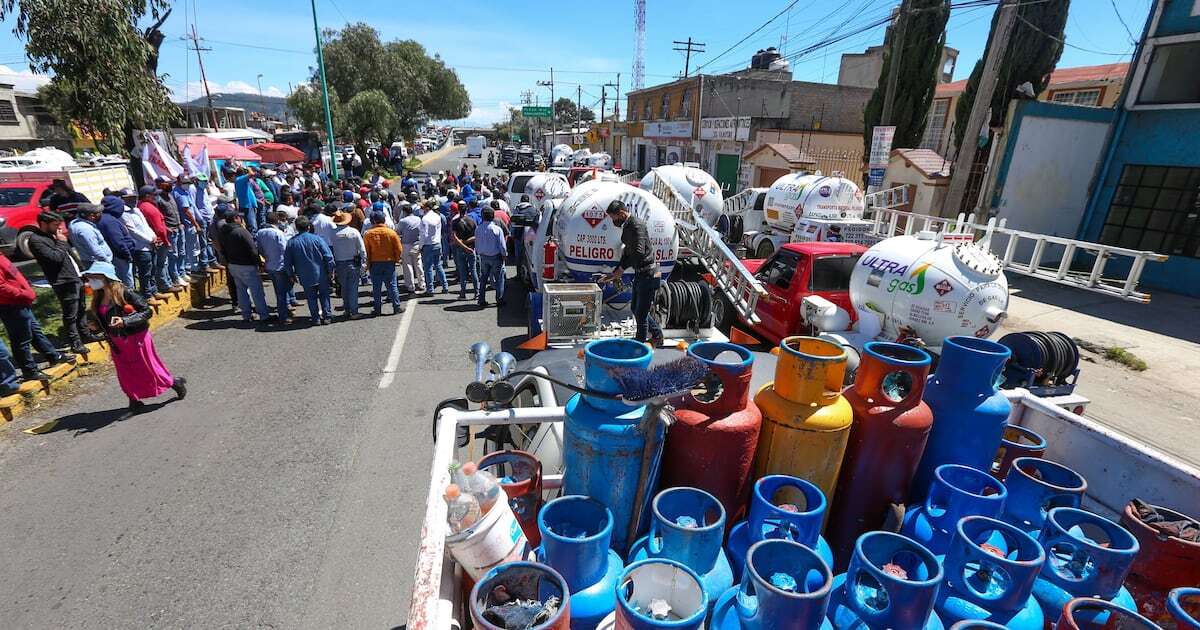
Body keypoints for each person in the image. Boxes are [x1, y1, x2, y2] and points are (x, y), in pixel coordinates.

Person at [82, 261, 186, 411]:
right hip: (116, 341)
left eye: (94, 277)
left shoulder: (125, 293)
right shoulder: (98, 297)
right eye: (90, 277)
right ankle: (134, 400)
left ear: (106, 277)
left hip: (136, 337)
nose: (91, 281)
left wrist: (125, 321)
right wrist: (96, 326)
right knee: (124, 372)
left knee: (148, 368)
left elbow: (146, 311)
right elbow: (105, 320)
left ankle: (174, 383)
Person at [0, 252, 75, 381]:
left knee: (35, 331)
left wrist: (26, 288)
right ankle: (29, 370)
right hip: (11, 305)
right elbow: (1, 287)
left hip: (21, 302)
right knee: (21, 339)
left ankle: (53, 356)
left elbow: (13, 277)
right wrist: (24, 293)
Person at [603, 200, 663, 346]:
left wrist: (622, 269)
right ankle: (657, 334)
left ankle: (640, 344)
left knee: (641, 314)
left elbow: (638, 252)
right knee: (635, 308)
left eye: (614, 218)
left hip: (648, 274)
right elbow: (628, 252)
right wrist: (618, 270)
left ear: (622, 214)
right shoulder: (628, 226)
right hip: (640, 274)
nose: (613, 222)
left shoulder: (637, 225)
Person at [27, 211, 88, 353]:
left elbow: (69, 254)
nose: (58, 228)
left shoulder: (55, 236)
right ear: (44, 224)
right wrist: (60, 241)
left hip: (75, 277)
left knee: (81, 308)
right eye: (55, 225)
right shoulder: (36, 240)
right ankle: (75, 342)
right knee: (71, 313)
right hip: (63, 281)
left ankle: (86, 334)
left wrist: (82, 270)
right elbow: (55, 258)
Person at [218, 213, 271, 323]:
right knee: (256, 291)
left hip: (233, 265)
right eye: (240, 217)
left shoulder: (223, 232)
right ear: (235, 218)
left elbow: (222, 249)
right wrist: (259, 263)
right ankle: (264, 315)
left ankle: (246, 315)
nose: (242, 219)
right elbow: (252, 249)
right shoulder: (241, 231)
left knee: (241, 291)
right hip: (247, 265)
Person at [284, 216, 335, 325]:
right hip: (321, 273)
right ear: (308, 227)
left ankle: (315, 318)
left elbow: (288, 262)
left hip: (304, 275)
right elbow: (328, 256)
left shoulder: (291, 243)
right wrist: (331, 271)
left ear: (296, 228)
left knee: (311, 298)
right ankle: (327, 316)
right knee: (324, 295)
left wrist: (291, 275)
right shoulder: (317, 239)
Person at [362, 211, 405, 316]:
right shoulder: (391, 232)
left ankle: (377, 309)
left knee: (376, 287)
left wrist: (367, 264)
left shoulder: (368, 234)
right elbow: (399, 249)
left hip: (375, 263)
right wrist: (396, 259)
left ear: (373, 221)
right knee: (392, 285)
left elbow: (366, 251)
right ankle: (396, 306)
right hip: (389, 262)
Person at [255, 212, 292, 323]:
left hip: (269, 265)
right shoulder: (278, 233)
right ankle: (283, 316)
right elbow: (285, 249)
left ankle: (285, 311)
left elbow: (259, 249)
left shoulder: (260, 232)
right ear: (277, 221)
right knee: (282, 292)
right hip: (280, 265)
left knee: (278, 290)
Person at [329, 209, 366, 319]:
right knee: (353, 288)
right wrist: (364, 262)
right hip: (353, 262)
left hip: (339, 263)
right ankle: (354, 311)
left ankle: (347, 309)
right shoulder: (354, 232)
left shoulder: (332, 234)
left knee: (344, 288)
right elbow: (362, 249)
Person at [125, 187, 161, 298]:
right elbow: (133, 231)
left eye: (134, 197)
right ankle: (147, 294)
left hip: (151, 244)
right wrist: (150, 240)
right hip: (140, 247)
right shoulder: (124, 214)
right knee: (145, 272)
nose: (133, 200)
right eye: (129, 198)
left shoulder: (136, 210)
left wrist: (154, 237)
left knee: (152, 270)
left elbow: (145, 226)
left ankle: (154, 291)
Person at [98, 194, 137, 286]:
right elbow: (118, 241)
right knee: (127, 284)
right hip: (120, 257)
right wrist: (127, 255)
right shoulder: (110, 221)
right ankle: (128, 300)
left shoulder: (104, 218)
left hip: (117, 256)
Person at [474, 207, 507, 308]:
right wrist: (504, 255)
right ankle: (499, 299)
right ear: (493, 217)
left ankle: (481, 299)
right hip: (496, 257)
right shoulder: (497, 229)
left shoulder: (478, 228)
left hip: (483, 256)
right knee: (499, 279)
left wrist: (479, 253)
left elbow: (477, 243)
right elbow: (502, 245)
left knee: (483, 278)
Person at [68, 203, 113, 269]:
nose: (101, 214)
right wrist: (107, 262)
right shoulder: (86, 229)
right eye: (98, 213)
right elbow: (95, 249)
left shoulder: (75, 224)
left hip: (89, 261)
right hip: (98, 264)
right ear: (91, 216)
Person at [419, 201, 449, 295]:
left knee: (428, 268)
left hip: (428, 245)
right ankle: (445, 286)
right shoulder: (437, 216)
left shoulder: (425, 219)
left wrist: (420, 246)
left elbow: (424, 235)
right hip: (437, 243)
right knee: (438, 266)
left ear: (426, 208)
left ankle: (430, 289)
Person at [449, 202, 478, 299]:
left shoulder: (455, 222)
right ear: (467, 209)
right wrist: (467, 245)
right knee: (473, 271)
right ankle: (476, 293)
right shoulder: (472, 220)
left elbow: (454, 238)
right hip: (471, 248)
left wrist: (463, 245)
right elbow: (476, 236)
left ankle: (463, 293)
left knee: (462, 272)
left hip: (460, 249)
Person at [396, 203, 425, 294]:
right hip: (416, 243)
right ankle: (422, 283)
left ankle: (410, 286)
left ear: (404, 212)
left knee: (407, 266)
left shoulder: (403, 221)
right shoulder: (418, 219)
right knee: (418, 264)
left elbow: (398, 231)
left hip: (406, 245)